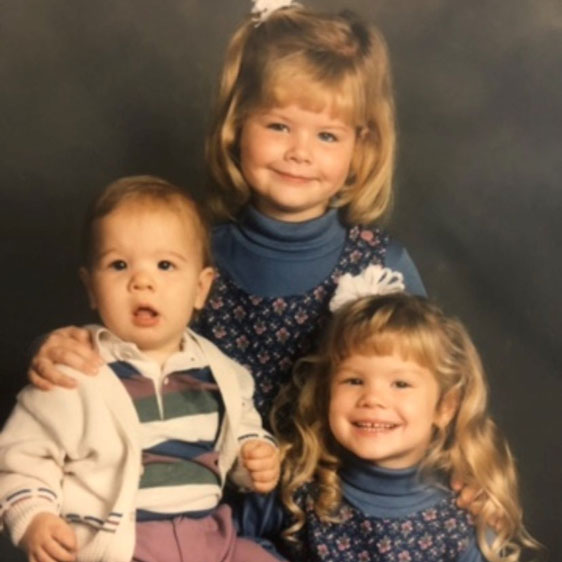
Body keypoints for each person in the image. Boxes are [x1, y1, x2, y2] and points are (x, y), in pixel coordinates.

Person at [28, 2, 425, 424]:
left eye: (327, 135)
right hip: (202, 477)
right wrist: (56, 349)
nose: (300, 153)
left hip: (332, 483)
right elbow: (120, 339)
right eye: (278, 126)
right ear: (237, 125)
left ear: (360, 148)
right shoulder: (190, 254)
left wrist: (459, 459)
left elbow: (430, 379)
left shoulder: (381, 265)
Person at [0, 176, 281, 562]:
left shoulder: (221, 372)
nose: (142, 281)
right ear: (91, 289)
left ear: (201, 288)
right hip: (121, 544)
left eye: (165, 265)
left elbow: (240, 431)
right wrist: (34, 517)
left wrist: (255, 455)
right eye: (119, 265)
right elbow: (22, 456)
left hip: (211, 537)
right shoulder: (72, 369)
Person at [236, 280, 541, 562]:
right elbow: (219, 540)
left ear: (444, 408)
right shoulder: (297, 487)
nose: (372, 399)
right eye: (354, 381)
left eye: (400, 384)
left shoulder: (461, 519)